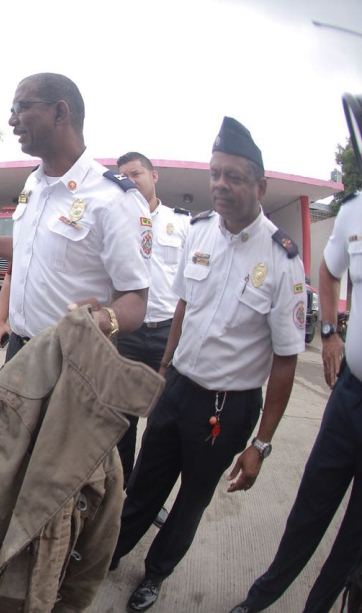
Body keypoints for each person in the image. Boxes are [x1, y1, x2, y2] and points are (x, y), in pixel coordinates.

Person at [110, 117, 306, 612]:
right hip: (177, 389)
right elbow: (182, 308)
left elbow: (285, 360)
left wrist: (261, 442)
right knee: (143, 484)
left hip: (228, 408)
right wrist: (164, 369)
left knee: (191, 501)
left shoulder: (282, 260)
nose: (220, 184)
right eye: (215, 174)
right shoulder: (198, 234)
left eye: (234, 176)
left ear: (259, 185)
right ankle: (108, 554)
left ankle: (155, 574)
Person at [0, 73, 151, 360]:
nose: (12, 120)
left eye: (22, 107)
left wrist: (104, 319)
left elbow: (136, 297)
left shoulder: (114, 198)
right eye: (12, 111)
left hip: (73, 358)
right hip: (20, 349)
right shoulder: (34, 184)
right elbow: (28, 248)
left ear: (60, 112)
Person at [228, 180, 362, 611]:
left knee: (355, 534)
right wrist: (328, 333)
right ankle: (261, 597)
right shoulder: (354, 212)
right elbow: (328, 271)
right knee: (311, 504)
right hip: (351, 394)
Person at [114, 152, 191, 492]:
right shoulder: (115, 220)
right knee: (120, 420)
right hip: (127, 335)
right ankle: (118, 493)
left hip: (166, 336)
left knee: (161, 425)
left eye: (136, 173)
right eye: (123, 176)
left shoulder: (183, 224)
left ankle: (142, 498)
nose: (130, 180)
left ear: (154, 175)